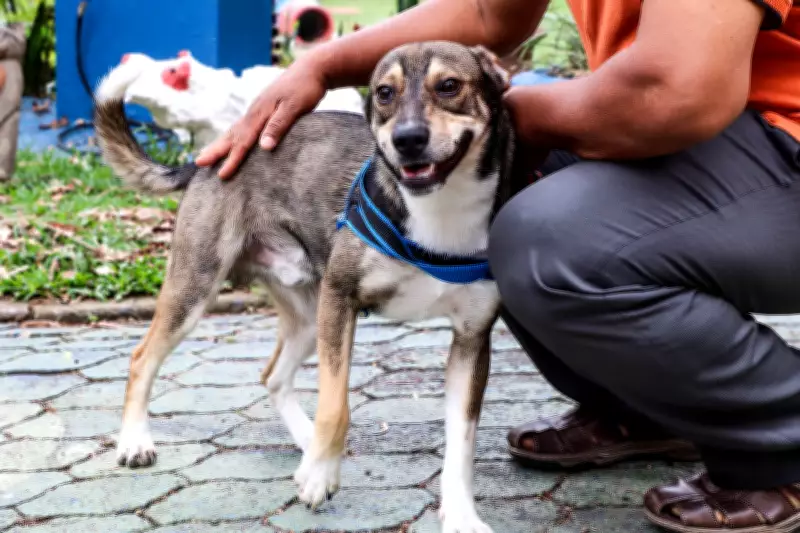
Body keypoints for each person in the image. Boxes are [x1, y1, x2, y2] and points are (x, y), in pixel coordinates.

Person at [196, 0, 800, 530]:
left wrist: (503, 117)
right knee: (507, 184)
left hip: (781, 142)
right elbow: (490, 14)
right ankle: (644, 409)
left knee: (543, 235)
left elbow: (676, 89)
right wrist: (321, 66)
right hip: (727, 139)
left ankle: (782, 445)